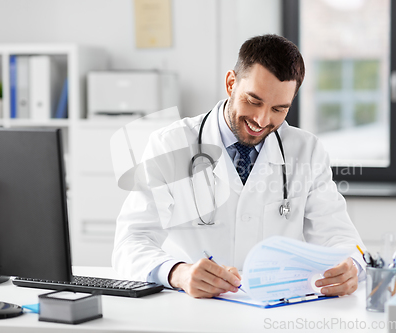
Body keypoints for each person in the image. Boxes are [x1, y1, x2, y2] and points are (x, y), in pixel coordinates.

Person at [112, 34, 366, 299]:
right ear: (231, 83)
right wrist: (179, 273)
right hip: (192, 310)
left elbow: (342, 239)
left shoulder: (306, 152)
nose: (261, 119)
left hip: (275, 309)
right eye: (254, 101)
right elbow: (131, 242)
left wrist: (351, 268)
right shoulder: (171, 144)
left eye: (279, 109)